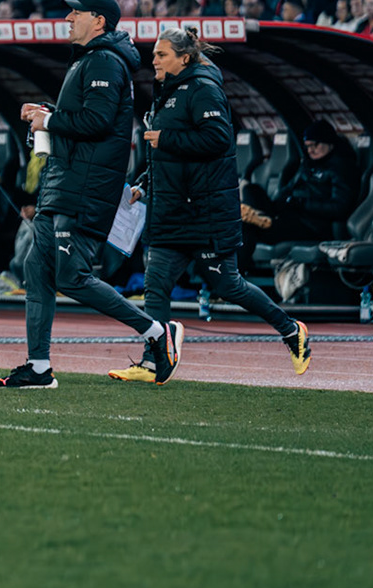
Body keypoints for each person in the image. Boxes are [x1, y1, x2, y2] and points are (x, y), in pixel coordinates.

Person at [0, 0, 179, 389]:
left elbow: (95, 121)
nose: (67, 16)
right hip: (65, 184)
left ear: (99, 21)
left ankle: (156, 332)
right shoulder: (92, 59)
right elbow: (88, 118)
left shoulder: (105, 61)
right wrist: (48, 114)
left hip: (84, 188)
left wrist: (51, 121)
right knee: (36, 269)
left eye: (76, 12)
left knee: (72, 276)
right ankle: (39, 368)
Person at [114, 28, 311, 383]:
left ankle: (292, 330)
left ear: (184, 58)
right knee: (156, 287)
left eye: (161, 55)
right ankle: (152, 360)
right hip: (171, 210)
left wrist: (167, 138)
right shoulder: (167, 92)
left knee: (229, 286)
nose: (153, 60)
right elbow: (165, 156)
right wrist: (143, 185)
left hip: (203, 213)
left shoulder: (203, 89)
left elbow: (218, 139)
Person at [241, 122, 353, 245]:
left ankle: (261, 220)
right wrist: (283, 201)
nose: (310, 150)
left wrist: (301, 203)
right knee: (251, 190)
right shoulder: (308, 165)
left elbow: (339, 207)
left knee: (247, 227)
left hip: (311, 224)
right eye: (307, 146)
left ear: (329, 142)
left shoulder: (341, 168)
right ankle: (260, 216)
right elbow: (288, 189)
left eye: (314, 145)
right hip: (289, 214)